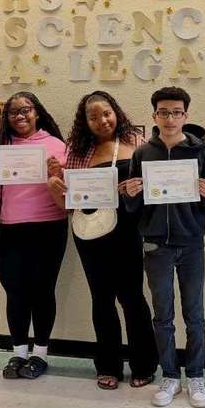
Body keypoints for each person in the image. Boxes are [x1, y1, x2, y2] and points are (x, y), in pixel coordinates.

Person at [49, 91, 158, 390]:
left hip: (127, 231)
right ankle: (107, 364)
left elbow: (152, 188)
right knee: (102, 299)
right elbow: (67, 205)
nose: (102, 120)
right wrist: (55, 187)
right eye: (93, 116)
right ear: (85, 122)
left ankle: (145, 364)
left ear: (117, 112)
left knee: (133, 298)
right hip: (90, 233)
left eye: (106, 113)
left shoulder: (137, 143)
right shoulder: (77, 151)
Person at [124, 87, 205, 408]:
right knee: (162, 316)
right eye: (164, 112)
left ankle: (196, 377)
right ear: (154, 116)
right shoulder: (143, 154)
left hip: (192, 244)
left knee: (195, 316)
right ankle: (169, 376)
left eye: (177, 112)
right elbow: (131, 207)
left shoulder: (200, 151)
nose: (170, 118)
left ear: (186, 115)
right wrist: (131, 193)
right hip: (156, 246)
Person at [0, 92, 67, 380]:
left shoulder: (56, 146)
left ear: (37, 113)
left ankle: (40, 354)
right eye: (13, 112)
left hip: (48, 229)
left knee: (42, 292)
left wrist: (59, 173)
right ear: (6, 117)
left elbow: (71, 192)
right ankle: (19, 352)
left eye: (26, 110)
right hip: (6, 231)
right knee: (15, 292)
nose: (20, 116)